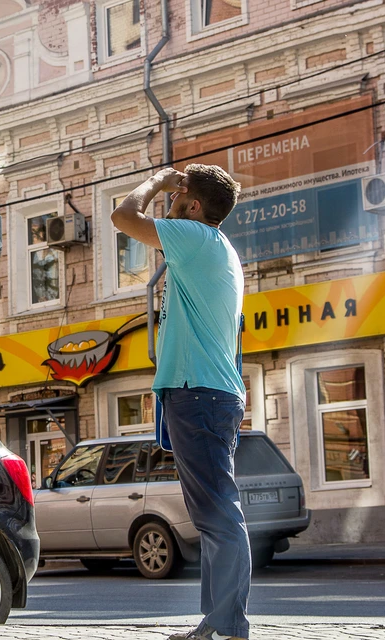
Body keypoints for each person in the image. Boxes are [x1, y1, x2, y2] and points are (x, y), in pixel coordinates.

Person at [110, 165, 249, 640]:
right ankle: (216, 624)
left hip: (200, 392)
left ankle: (229, 627)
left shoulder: (194, 237)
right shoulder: (217, 249)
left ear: (191, 205)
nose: (173, 197)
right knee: (213, 517)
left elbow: (123, 216)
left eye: (180, 192)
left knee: (219, 515)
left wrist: (154, 182)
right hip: (202, 390)